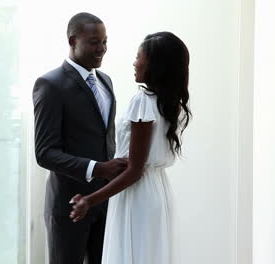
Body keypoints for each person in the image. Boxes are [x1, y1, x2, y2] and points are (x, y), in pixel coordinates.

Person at [70, 31, 192, 264]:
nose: (134, 62)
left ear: (154, 64)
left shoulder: (143, 101)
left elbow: (134, 170)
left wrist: (89, 200)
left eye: (139, 57)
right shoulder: (167, 102)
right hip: (157, 191)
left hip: (138, 196)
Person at [33, 12, 128, 264]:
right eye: (95, 42)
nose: (102, 49)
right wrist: (97, 168)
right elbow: (44, 152)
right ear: (72, 41)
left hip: (107, 201)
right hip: (69, 207)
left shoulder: (106, 81)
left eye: (105, 41)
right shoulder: (50, 84)